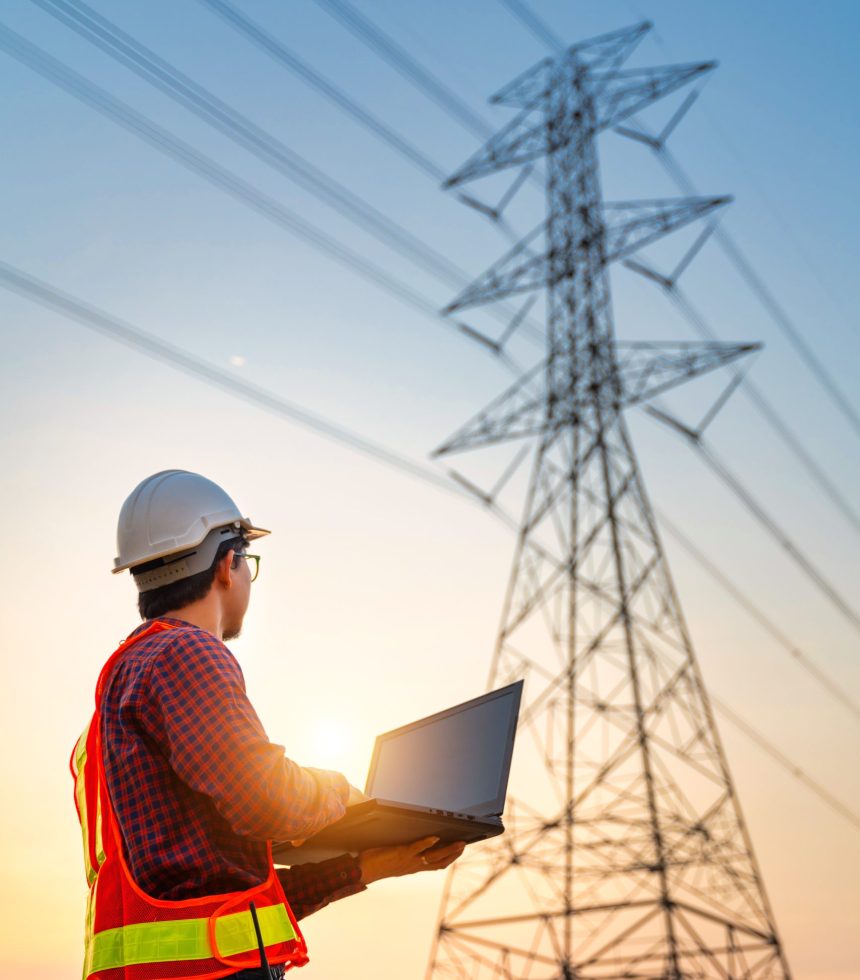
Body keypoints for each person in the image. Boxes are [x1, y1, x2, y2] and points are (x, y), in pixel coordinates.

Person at [71, 469, 464, 980]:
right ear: (227, 567)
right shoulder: (185, 652)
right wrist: (341, 793)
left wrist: (377, 863)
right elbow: (267, 801)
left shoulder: (106, 714)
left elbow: (222, 909)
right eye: (247, 562)